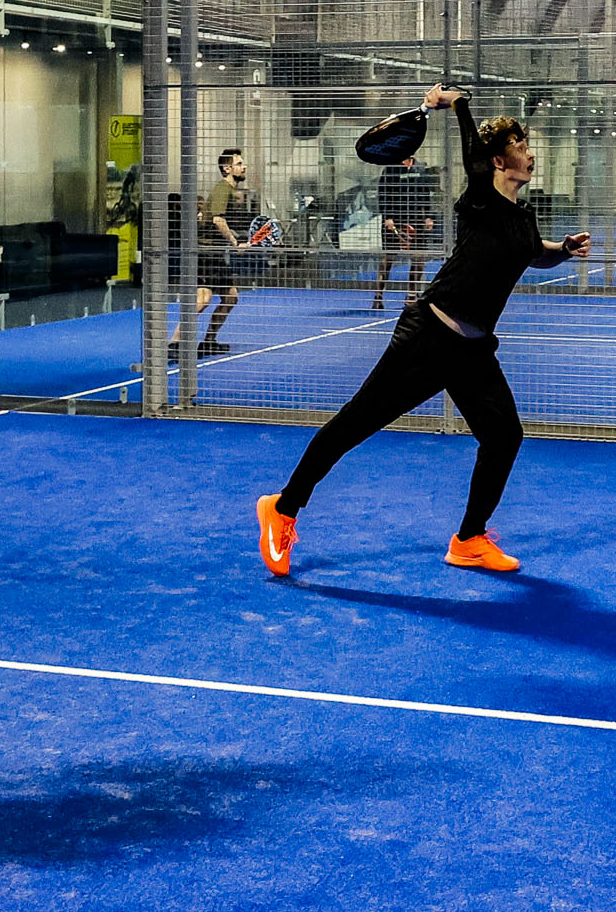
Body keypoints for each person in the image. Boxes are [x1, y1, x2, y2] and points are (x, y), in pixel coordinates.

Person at [257, 84, 589, 576]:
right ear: (499, 161)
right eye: (520, 146)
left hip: (473, 352)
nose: (530, 152)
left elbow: (532, 253)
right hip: (428, 339)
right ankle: (283, 507)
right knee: (356, 423)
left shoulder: (520, 217)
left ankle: (469, 538)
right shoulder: (480, 197)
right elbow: (473, 156)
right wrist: (456, 105)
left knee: (504, 437)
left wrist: (561, 250)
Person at [168, 149, 253, 359]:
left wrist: (238, 240)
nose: (244, 167)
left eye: (243, 163)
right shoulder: (223, 189)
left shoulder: (228, 191)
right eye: (239, 163)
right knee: (203, 299)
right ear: (227, 169)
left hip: (215, 253)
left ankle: (208, 342)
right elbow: (217, 220)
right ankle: (175, 343)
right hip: (204, 252)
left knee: (230, 297)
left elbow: (219, 223)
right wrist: (235, 243)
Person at [373, 154, 439, 310]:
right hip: (395, 219)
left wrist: (428, 216)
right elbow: (383, 194)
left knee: (418, 258)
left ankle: (411, 294)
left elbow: (425, 194)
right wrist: (388, 217)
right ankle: (378, 295)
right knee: (388, 259)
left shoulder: (420, 168)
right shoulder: (390, 169)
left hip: (416, 218)